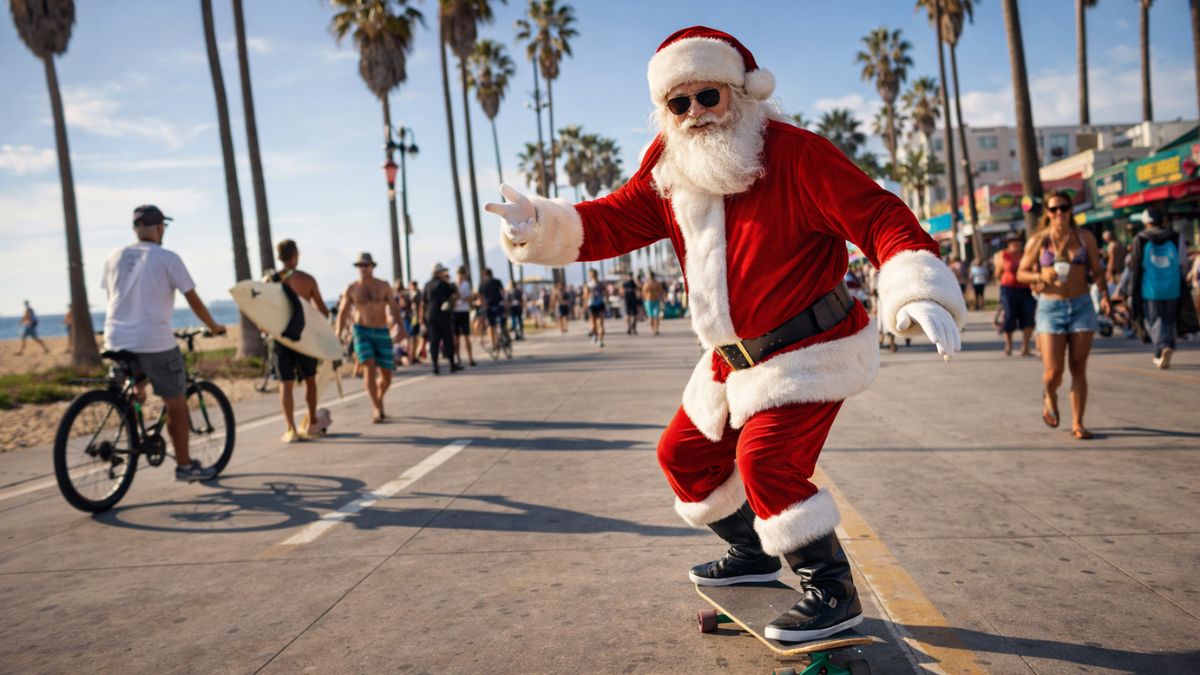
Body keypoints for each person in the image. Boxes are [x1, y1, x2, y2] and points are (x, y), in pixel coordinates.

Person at [485, 26, 966, 643]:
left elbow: (878, 215)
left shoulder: (796, 154)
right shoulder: (669, 167)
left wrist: (917, 286)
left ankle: (832, 590)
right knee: (682, 456)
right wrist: (537, 224)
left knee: (765, 462)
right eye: (677, 104)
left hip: (810, 349)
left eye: (706, 97)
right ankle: (753, 555)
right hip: (731, 361)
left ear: (740, 92)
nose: (694, 115)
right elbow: (610, 221)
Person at [100, 204, 227, 481]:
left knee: (138, 380)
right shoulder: (168, 257)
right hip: (153, 339)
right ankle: (184, 466)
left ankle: (135, 419)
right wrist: (214, 327)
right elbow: (193, 300)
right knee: (175, 401)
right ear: (159, 228)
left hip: (115, 337)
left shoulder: (114, 256)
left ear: (136, 228)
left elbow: (114, 295)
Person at [1017, 191, 1110, 440]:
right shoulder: (1038, 241)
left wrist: (1104, 293)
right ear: (1047, 212)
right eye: (1054, 209)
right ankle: (1050, 394)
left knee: (1078, 367)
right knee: (1054, 372)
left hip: (1081, 305)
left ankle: (1078, 423)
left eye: (1064, 208)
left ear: (1071, 210)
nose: (1060, 213)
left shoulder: (1085, 238)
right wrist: (1039, 276)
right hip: (1051, 308)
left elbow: (1097, 270)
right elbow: (1021, 273)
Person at [268, 240, 330, 442]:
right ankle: (311, 423)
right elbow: (322, 311)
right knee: (309, 381)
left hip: (281, 338)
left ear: (279, 257)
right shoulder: (308, 280)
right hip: (304, 337)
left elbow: (261, 310)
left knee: (285, 385)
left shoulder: (269, 280)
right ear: (296, 255)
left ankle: (291, 429)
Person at [1123, 207, 1200, 369]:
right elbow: (1184, 263)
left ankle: (1161, 348)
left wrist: (1131, 290)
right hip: (1173, 287)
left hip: (1150, 288)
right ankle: (1168, 346)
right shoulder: (1175, 237)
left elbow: (1135, 267)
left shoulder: (1140, 238)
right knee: (1170, 319)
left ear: (1146, 222)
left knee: (1154, 320)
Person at [336, 252, 404, 422]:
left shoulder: (383, 286)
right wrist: (338, 332)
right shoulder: (351, 288)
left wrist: (401, 327)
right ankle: (375, 407)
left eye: (366, 265)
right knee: (369, 366)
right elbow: (343, 312)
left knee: (387, 376)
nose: (363, 268)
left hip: (381, 331)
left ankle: (379, 399)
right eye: (360, 266)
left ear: (372, 266)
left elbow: (394, 308)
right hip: (361, 331)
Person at [993, 233, 1036, 357]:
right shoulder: (1003, 255)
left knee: (1028, 316)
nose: (1016, 244)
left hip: (1025, 290)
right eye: (1013, 242)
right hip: (1009, 290)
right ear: (1009, 243)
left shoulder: (1025, 256)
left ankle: (1025, 347)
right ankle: (1009, 344)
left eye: (1018, 241)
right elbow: (998, 273)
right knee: (1009, 316)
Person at [423, 263, 461, 374]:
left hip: (430, 316)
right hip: (443, 316)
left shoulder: (427, 285)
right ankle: (452, 364)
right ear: (438, 273)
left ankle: (435, 366)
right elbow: (455, 296)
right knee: (448, 340)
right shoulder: (444, 285)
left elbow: (423, 303)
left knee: (434, 342)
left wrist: (422, 319)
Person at [452, 266, 477, 367]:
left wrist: (466, 298)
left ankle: (470, 358)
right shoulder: (453, 284)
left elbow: (469, 297)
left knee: (466, 336)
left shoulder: (466, 284)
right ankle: (458, 358)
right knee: (456, 337)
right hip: (455, 312)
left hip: (464, 311)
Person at [478, 268, 506, 353]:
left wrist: (483, 305)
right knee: (501, 321)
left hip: (488, 306)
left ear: (484, 275)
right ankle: (503, 335)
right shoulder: (497, 281)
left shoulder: (482, 284)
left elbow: (480, 296)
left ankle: (494, 344)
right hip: (498, 304)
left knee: (491, 325)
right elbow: (503, 292)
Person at [584, 268, 607, 347]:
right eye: (591, 274)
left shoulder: (600, 284)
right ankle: (595, 336)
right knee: (595, 325)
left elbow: (605, 293)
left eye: (592, 274)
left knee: (600, 323)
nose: (592, 275)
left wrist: (606, 300)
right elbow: (585, 296)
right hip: (592, 305)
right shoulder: (588, 284)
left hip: (600, 304)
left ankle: (600, 340)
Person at [642, 271, 666, 336]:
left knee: (655, 316)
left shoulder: (652, 283)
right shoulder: (649, 283)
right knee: (652, 316)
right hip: (649, 301)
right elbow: (644, 293)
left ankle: (655, 329)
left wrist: (662, 299)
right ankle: (654, 329)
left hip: (654, 301)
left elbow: (661, 292)